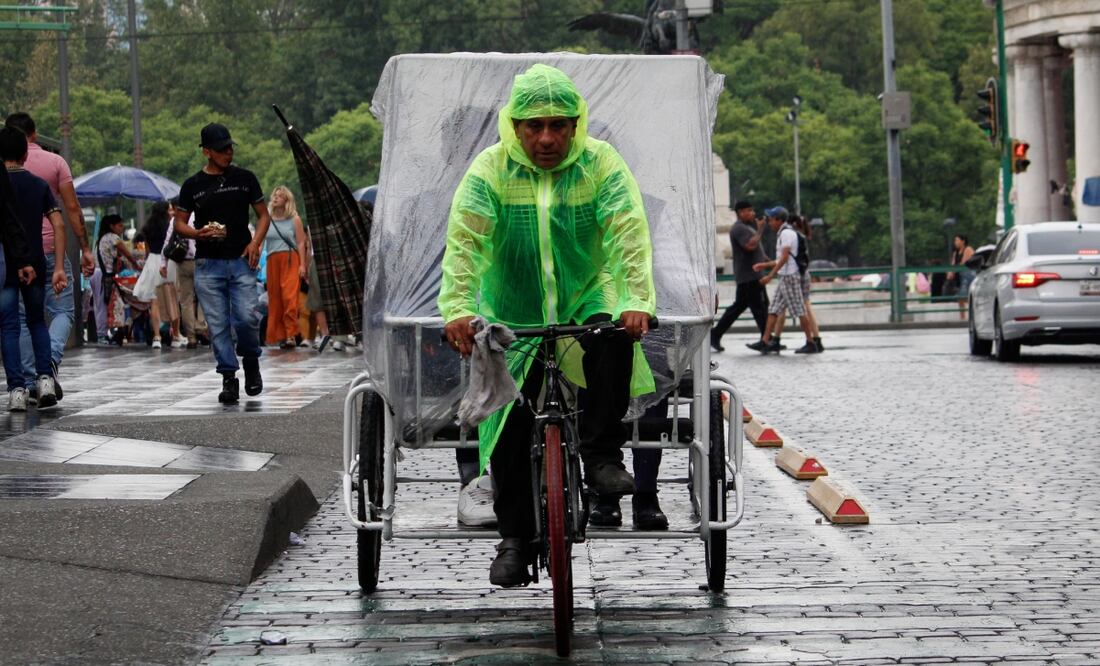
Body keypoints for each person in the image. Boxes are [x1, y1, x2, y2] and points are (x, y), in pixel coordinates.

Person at [439, 64, 656, 587]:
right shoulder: (489, 170)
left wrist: (636, 300)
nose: (546, 138)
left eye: (558, 125)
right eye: (533, 126)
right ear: (514, 127)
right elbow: (464, 243)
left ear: (575, 125)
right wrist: (458, 308)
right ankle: (514, 538)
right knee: (510, 420)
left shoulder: (601, 163)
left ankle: (602, 457)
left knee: (611, 337)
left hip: (588, 294)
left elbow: (628, 231)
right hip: (512, 309)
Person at [173, 123, 270, 404]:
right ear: (206, 152)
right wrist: (197, 233)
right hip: (208, 264)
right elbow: (179, 223)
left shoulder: (245, 178)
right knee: (217, 325)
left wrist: (255, 243)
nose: (228, 153)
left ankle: (250, 359)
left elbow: (263, 216)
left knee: (247, 317)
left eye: (229, 148)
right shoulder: (193, 185)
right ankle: (229, 376)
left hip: (241, 260)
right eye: (221, 150)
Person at [5, 113, 95, 399]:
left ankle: (27, 382)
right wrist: (85, 248)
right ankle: (50, 363)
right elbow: (71, 210)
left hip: (11, 256)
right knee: (62, 311)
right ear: (33, 134)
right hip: (48, 251)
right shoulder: (55, 163)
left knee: (19, 321)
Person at [0, 127, 67, 410]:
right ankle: (45, 381)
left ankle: (17, 389)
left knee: (9, 327)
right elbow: (58, 224)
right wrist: (59, 266)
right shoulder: (38, 185)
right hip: (35, 263)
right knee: (37, 321)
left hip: (4, 265)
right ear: (25, 154)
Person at [745, 206, 818, 354]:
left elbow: (784, 258)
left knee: (799, 310)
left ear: (779, 220)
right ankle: (765, 341)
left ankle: (810, 342)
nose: (769, 222)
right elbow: (781, 259)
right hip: (785, 276)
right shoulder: (784, 233)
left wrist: (770, 275)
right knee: (774, 309)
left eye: (771, 219)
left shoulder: (786, 234)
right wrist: (764, 265)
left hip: (790, 276)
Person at [710, 200, 769, 352]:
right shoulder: (739, 228)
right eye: (749, 210)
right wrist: (760, 230)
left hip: (752, 276)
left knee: (745, 307)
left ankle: (715, 334)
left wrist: (771, 262)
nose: (753, 213)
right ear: (740, 212)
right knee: (759, 308)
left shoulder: (746, 227)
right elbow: (750, 246)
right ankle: (766, 339)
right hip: (749, 276)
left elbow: (757, 250)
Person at [133, 201, 184, 349]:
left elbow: (147, 250)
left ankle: (157, 337)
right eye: (170, 209)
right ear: (165, 211)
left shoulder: (147, 228)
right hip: (167, 262)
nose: (172, 212)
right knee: (172, 298)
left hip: (152, 261)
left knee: (154, 302)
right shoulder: (171, 225)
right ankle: (176, 335)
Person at [771, 215, 823, 352]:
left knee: (790, 308)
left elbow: (785, 257)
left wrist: (771, 273)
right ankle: (816, 339)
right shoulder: (801, 236)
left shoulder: (790, 235)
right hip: (803, 273)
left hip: (793, 274)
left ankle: (777, 339)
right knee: (804, 306)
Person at [263, 186, 307, 349]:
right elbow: (260, 241)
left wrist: (302, 265)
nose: (275, 198)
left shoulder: (294, 219)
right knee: (275, 299)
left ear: (287, 201)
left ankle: (290, 334)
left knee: (289, 297)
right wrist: (255, 259)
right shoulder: (266, 218)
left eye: (280, 196)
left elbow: (301, 242)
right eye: (274, 195)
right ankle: (280, 335)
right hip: (272, 261)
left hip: (290, 259)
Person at [96, 214, 139, 344]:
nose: (122, 228)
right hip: (106, 275)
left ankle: (104, 334)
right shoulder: (113, 237)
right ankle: (104, 335)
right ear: (112, 226)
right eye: (120, 225)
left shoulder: (103, 238)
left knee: (103, 306)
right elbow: (128, 254)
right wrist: (137, 265)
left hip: (100, 274)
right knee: (107, 306)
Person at [947, 234, 974, 320]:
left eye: (957, 240)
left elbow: (967, 263)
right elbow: (953, 264)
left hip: (967, 276)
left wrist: (955, 269)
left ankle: (972, 315)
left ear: (963, 241)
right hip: (959, 277)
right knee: (960, 298)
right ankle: (962, 317)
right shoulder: (956, 253)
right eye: (955, 240)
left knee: (964, 296)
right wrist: (950, 273)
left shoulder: (968, 249)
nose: (955, 242)